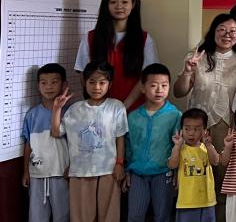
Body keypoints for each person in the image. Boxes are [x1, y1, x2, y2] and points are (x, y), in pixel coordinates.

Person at [174, 13, 236, 219]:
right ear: (213, 32)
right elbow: (179, 92)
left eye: (233, 31)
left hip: (228, 127)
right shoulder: (197, 56)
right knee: (195, 177)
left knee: (223, 178)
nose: (227, 35)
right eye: (222, 30)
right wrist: (187, 71)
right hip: (197, 127)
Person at [52, 61, 128, 222]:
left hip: (108, 170)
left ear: (110, 84)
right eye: (92, 82)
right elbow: (56, 132)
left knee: (109, 215)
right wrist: (57, 109)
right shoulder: (75, 108)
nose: (96, 87)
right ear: (84, 82)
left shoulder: (116, 107)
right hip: (80, 171)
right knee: (81, 216)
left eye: (102, 83)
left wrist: (120, 163)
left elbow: (120, 138)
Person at [75, 0, 158, 111]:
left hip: (134, 110)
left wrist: (123, 107)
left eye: (125, 2)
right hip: (100, 110)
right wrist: (97, 104)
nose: (119, 6)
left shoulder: (145, 39)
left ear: (133, 4)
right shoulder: (90, 38)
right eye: (113, 2)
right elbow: (83, 74)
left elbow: (147, 76)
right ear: (106, 5)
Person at [125, 63, 181, 222]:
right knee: (135, 215)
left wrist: (177, 172)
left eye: (164, 85)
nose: (159, 90)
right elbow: (128, 145)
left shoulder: (175, 115)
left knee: (163, 215)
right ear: (142, 88)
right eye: (153, 85)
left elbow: (179, 146)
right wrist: (127, 170)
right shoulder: (133, 117)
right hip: (138, 173)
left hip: (164, 172)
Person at [22, 63, 70, 222]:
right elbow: (28, 145)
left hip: (61, 174)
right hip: (37, 174)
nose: (49, 87)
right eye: (44, 83)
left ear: (64, 84)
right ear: (38, 86)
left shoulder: (69, 113)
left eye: (54, 82)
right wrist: (26, 171)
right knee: (36, 216)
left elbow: (75, 144)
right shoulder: (31, 115)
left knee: (63, 215)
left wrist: (71, 167)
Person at [169, 108, 221, 222]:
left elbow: (216, 161)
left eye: (196, 129)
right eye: (187, 129)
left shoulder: (207, 148)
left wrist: (209, 146)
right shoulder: (180, 149)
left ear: (204, 130)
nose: (191, 133)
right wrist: (176, 146)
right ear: (181, 129)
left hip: (207, 201)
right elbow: (172, 165)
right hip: (186, 202)